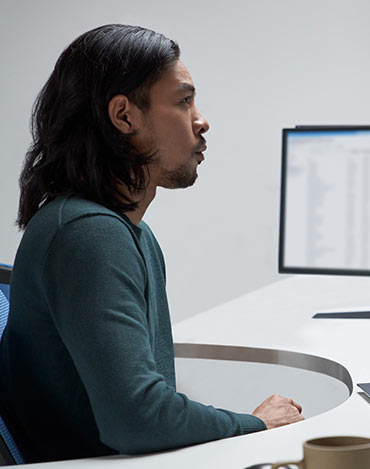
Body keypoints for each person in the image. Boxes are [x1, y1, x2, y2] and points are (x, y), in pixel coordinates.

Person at [0, 24, 303, 463]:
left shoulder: (127, 231)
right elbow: (138, 419)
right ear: (124, 116)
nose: (201, 120)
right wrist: (254, 424)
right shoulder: (88, 235)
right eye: (184, 101)